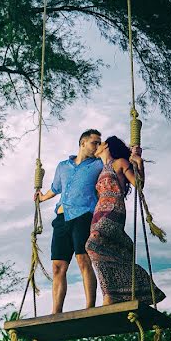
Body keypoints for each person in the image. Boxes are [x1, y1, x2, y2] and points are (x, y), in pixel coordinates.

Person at [86, 135, 165, 305]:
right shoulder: (101, 169)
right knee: (100, 252)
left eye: (100, 143)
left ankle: (114, 293)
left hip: (114, 209)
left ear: (106, 146)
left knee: (92, 245)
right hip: (98, 212)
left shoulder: (120, 162)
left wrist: (138, 162)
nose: (97, 146)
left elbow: (138, 183)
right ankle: (110, 294)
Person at [36, 129, 102, 314]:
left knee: (83, 260)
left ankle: (90, 307)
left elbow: (117, 161)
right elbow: (55, 188)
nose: (97, 146)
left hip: (83, 216)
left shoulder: (99, 164)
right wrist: (41, 198)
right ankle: (56, 312)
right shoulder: (63, 166)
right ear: (83, 143)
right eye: (94, 142)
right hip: (62, 218)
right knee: (58, 267)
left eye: (99, 143)